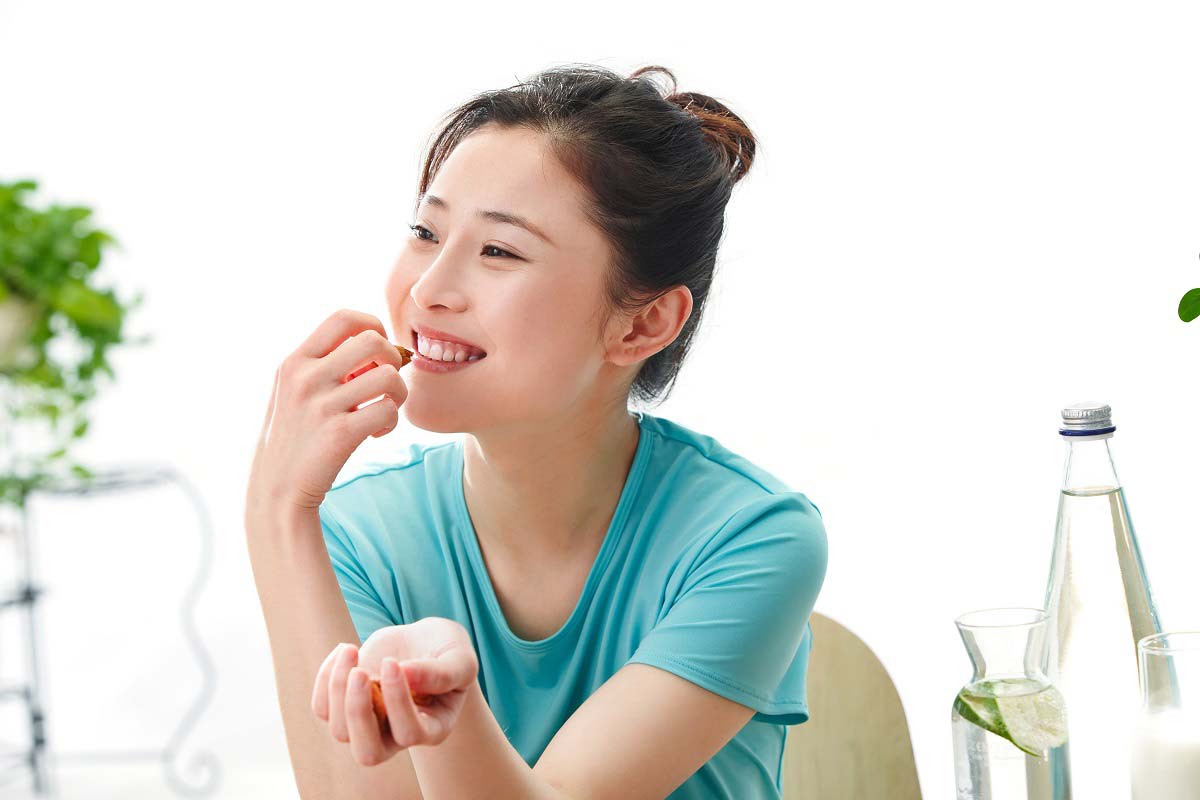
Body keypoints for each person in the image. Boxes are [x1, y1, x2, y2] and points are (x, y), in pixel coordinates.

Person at [246, 63, 828, 800]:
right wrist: (277, 508)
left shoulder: (754, 537)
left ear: (643, 323)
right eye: (426, 232)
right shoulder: (359, 535)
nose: (427, 289)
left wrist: (451, 709)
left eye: (499, 250)